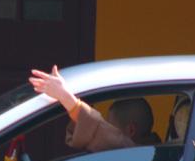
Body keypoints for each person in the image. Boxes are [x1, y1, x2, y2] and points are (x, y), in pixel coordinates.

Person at [29, 65, 160, 152]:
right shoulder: (152, 151)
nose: (108, 130)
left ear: (130, 130)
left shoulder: (140, 157)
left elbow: (103, 134)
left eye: (111, 127)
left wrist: (66, 98)